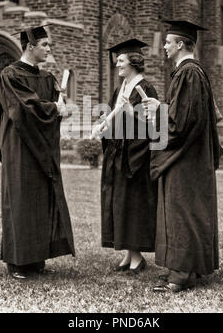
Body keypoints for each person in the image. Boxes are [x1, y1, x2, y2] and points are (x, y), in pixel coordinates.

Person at [143, 20, 221, 292]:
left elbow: (183, 122)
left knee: (181, 211)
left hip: (185, 157)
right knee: (185, 210)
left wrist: (158, 111)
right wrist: (162, 106)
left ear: (180, 44)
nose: (163, 46)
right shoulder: (189, 73)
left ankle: (180, 275)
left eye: (167, 42)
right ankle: (186, 269)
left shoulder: (189, 73)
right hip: (191, 156)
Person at [0, 25, 75, 280]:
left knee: (41, 199)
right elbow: (23, 109)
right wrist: (54, 108)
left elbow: (54, 111)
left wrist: (63, 107)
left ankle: (37, 258)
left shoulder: (47, 78)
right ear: (30, 46)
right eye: (45, 45)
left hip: (43, 148)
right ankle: (18, 261)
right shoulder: (9, 75)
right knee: (21, 200)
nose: (49, 49)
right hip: (20, 147)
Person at [97, 38, 158, 274]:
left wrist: (131, 114)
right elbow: (115, 119)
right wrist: (104, 128)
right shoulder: (120, 89)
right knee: (120, 204)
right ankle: (128, 254)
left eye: (121, 60)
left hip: (135, 158)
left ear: (133, 61)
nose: (117, 65)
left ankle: (137, 257)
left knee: (132, 205)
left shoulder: (146, 88)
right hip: (118, 155)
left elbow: (151, 126)